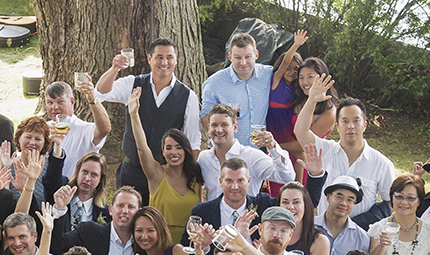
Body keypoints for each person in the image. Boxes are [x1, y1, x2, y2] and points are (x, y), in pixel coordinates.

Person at [96, 38, 202, 202]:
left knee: (157, 223)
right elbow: (101, 93)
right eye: (159, 57)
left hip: (164, 175)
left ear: (176, 59)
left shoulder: (188, 97)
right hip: (130, 172)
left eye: (169, 57)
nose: (164, 62)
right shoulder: (133, 83)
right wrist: (114, 69)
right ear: (149, 58)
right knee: (126, 221)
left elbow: (193, 143)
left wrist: (186, 180)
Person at [295, 77, 396, 218]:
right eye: (345, 121)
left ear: (365, 125)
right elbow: (300, 132)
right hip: (325, 233)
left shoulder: (382, 164)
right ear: (337, 126)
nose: (351, 126)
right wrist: (312, 100)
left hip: (361, 235)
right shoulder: (324, 150)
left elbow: (391, 203)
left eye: (356, 121)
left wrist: (365, 222)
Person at [126, 88, 203, 243]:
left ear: (186, 150)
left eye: (178, 147)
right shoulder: (156, 174)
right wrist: (134, 114)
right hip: (161, 244)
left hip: (189, 245)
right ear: (163, 151)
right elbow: (142, 148)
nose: (173, 152)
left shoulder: (195, 177)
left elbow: (199, 212)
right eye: (169, 148)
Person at [189, 155, 325, 231]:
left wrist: (315, 174)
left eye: (240, 180)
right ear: (220, 181)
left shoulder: (264, 205)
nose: (235, 186)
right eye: (229, 180)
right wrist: (204, 247)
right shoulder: (202, 212)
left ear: (249, 181)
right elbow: (187, 249)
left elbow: (305, 204)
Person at [199, 104, 295, 201]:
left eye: (224, 125)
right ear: (208, 128)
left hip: (247, 214)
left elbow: (287, 177)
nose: (219, 130)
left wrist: (273, 148)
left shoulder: (252, 156)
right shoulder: (204, 158)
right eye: (214, 125)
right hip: (213, 215)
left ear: (235, 127)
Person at [200, 33, 274, 147]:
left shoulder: (268, 74)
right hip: (227, 154)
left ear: (256, 55)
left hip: (258, 152)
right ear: (230, 57)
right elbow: (205, 124)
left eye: (248, 57)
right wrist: (224, 116)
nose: (243, 62)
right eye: (238, 57)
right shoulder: (214, 83)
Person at [43, 79, 111, 179]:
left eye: (60, 101)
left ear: (72, 101)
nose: (55, 107)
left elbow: (104, 129)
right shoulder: (44, 128)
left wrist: (92, 98)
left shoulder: (85, 129)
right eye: (50, 102)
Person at [44, 150, 111, 232]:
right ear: (78, 172)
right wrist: (58, 147)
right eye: (85, 172)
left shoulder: (105, 213)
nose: (87, 178)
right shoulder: (61, 193)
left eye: (94, 175)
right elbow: (52, 178)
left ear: (101, 179)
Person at [316, 175, 370, 255]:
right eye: (339, 197)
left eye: (350, 200)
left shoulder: (361, 238)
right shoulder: (309, 226)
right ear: (328, 197)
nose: (343, 203)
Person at [267, 31, 309, 149]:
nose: (292, 72)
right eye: (288, 69)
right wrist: (296, 45)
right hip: (274, 124)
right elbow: (285, 62)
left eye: (296, 70)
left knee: (294, 153)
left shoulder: (296, 87)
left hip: (287, 126)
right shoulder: (276, 79)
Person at [278, 180, 330, 255]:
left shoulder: (319, 241)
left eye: (296, 202)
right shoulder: (270, 236)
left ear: (305, 205)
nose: (290, 207)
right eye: (285, 202)